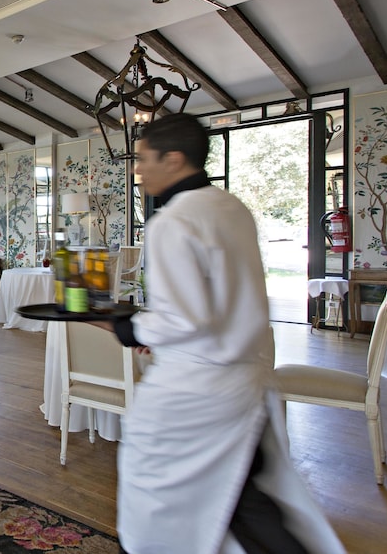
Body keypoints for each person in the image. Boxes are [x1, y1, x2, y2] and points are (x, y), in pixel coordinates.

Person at [91, 113, 344, 553]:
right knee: (242, 496)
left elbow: (184, 319)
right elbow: (219, 301)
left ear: (173, 159)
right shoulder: (231, 207)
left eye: (144, 159)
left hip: (198, 388)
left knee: (152, 490)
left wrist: (123, 325)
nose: (138, 170)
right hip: (246, 380)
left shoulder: (172, 221)